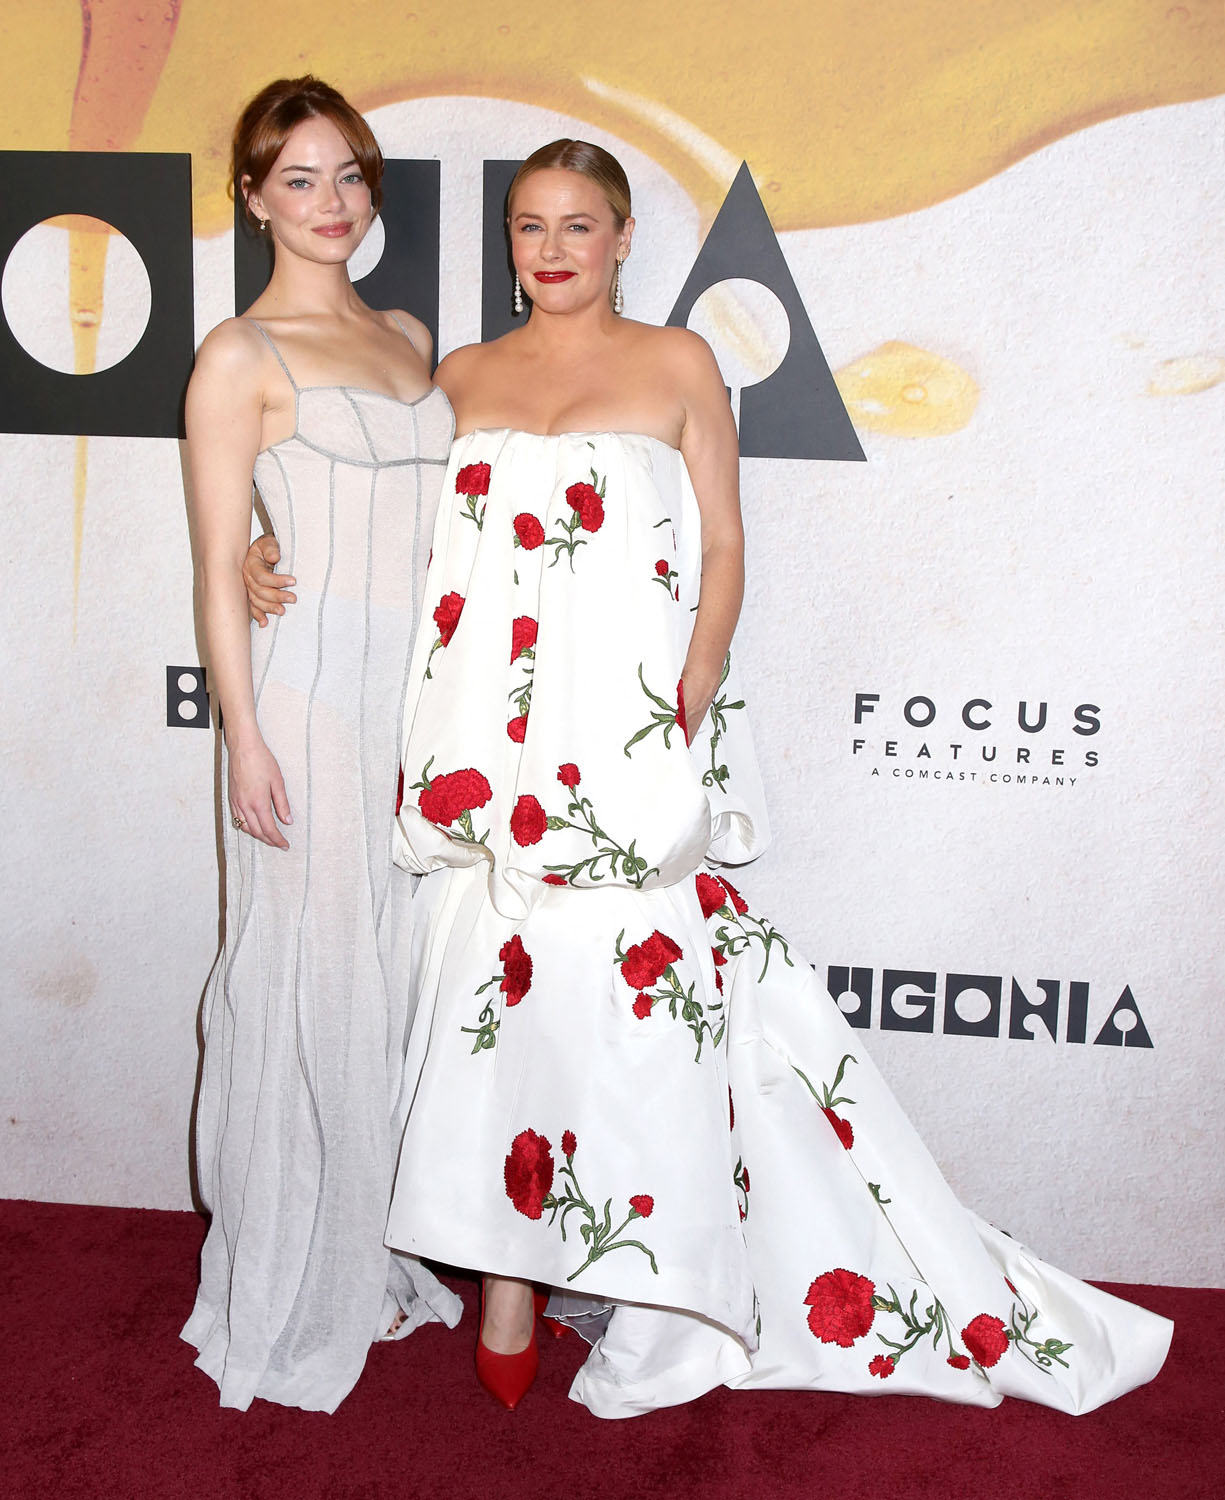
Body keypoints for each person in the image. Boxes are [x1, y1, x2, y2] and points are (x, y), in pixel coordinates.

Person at [245, 139, 1172, 1419]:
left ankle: (641, 1272)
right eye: (530, 225)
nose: (553, 248)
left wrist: (697, 673)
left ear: (624, 237)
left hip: (620, 736)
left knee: (618, 1011)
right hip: (489, 749)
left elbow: (724, 541)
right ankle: (507, 1277)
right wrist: (260, 544)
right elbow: (385, 514)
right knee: (495, 1000)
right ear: (508, 242)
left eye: (580, 224)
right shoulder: (460, 376)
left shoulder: (679, 364)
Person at [181, 75, 461, 1414]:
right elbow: (212, 563)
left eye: (348, 173)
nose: (330, 202)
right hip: (306, 701)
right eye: (298, 179)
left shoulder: (409, 335)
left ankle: (370, 1243)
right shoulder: (238, 355)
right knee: (307, 975)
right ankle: (290, 1279)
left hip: (420, 704)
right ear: (253, 199)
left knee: (394, 975)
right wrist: (242, 735)